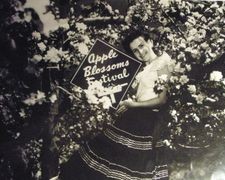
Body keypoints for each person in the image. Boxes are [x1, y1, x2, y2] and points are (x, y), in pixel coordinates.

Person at [60, 30, 173, 180]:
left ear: (150, 42)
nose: (140, 52)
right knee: (108, 157)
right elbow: (143, 94)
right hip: (135, 116)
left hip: (147, 121)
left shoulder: (162, 62)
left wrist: (133, 105)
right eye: (135, 50)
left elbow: (162, 99)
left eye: (142, 45)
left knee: (130, 165)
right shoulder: (144, 68)